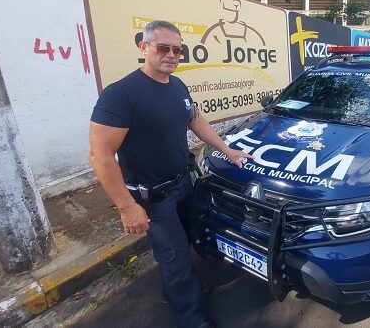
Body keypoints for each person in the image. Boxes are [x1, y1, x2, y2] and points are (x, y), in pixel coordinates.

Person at [89, 20, 251, 328]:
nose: (172, 55)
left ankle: (175, 292)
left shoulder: (177, 86)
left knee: (187, 245)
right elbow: (101, 156)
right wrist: (127, 207)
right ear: (144, 47)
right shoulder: (121, 94)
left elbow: (195, 120)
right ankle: (192, 319)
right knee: (175, 259)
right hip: (153, 198)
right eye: (164, 48)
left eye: (178, 50)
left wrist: (227, 149)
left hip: (184, 184)